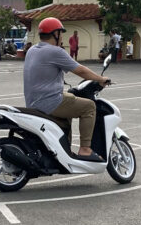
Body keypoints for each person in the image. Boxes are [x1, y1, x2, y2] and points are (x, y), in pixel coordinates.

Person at [24, 17, 111, 160]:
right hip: (49, 102)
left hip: (33, 102)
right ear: (55, 34)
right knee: (89, 107)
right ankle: (85, 149)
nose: (62, 37)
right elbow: (80, 70)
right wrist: (101, 79)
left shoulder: (32, 50)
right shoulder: (55, 51)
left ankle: (64, 151)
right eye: (61, 33)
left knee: (70, 99)